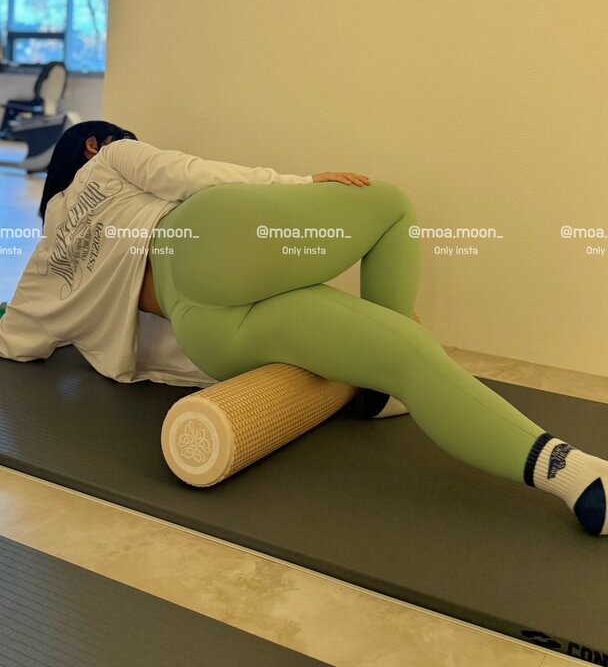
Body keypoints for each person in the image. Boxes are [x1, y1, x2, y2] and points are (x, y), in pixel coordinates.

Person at [0, 120, 606, 536]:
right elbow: (189, 173)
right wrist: (302, 184)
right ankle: (562, 469)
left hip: (210, 332)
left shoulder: (41, 267)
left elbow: (16, 342)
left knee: (404, 350)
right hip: (210, 244)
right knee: (392, 206)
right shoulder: (110, 159)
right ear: (93, 145)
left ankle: (576, 476)